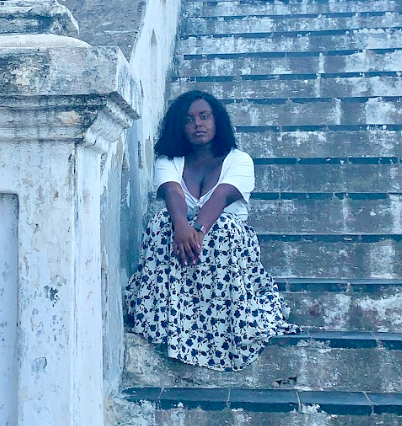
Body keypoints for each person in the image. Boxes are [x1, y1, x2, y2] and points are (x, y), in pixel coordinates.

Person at [125, 89, 299, 371]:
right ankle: (172, 316)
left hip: (225, 251)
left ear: (217, 121)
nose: (198, 124)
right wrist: (182, 227)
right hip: (181, 249)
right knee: (161, 223)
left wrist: (198, 230)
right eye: (189, 119)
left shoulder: (239, 160)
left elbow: (221, 197)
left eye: (204, 116)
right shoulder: (169, 160)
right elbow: (172, 193)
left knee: (225, 227)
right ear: (179, 127)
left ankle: (220, 322)